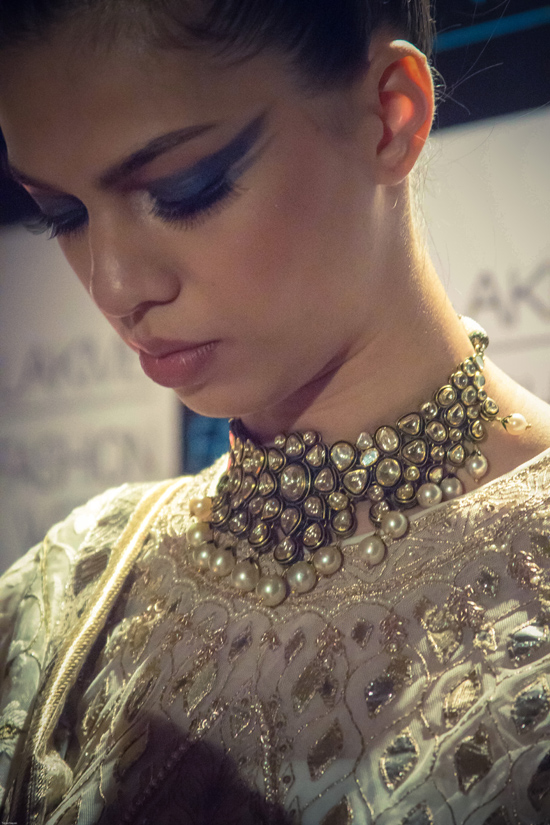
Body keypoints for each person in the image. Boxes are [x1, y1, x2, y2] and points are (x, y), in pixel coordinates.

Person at [1, 0, 550, 822]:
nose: (113, 287)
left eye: (185, 189)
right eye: (63, 216)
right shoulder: (69, 592)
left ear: (390, 116)